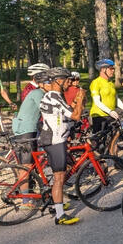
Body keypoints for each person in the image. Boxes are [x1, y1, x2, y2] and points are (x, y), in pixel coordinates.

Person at [38, 67, 82, 225]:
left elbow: (66, 114)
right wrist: (81, 98)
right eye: (67, 79)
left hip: (56, 138)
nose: (70, 82)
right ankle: (60, 215)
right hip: (55, 140)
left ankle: (56, 204)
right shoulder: (54, 97)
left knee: (61, 174)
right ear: (58, 80)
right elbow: (75, 115)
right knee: (59, 177)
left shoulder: (54, 96)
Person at [12, 70, 48, 165]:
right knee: (27, 162)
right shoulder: (38, 93)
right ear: (41, 84)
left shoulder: (40, 93)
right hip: (26, 128)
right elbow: (46, 110)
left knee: (32, 159)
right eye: (48, 82)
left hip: (28, 127)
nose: (51, 84)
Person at [89, 59, 123, 133]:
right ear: (103, 69)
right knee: (100, 139)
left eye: (113, 69)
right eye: (111, 69)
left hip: (111, 115)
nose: (113, 71)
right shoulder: (96, 82)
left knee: (115, 137)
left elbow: (116, 99)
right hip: (99, 116)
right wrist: (110, 111)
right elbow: (97, 102)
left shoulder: (111, 83)